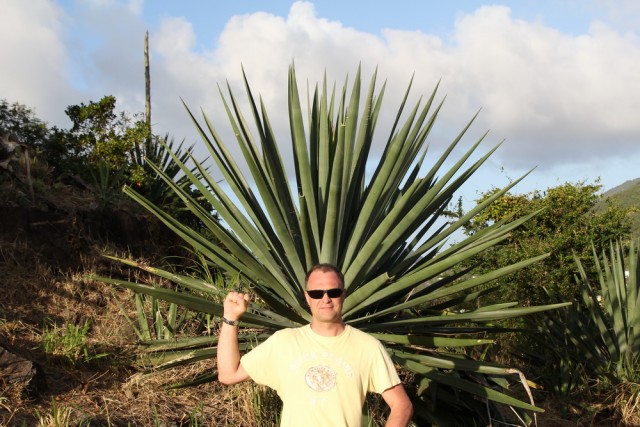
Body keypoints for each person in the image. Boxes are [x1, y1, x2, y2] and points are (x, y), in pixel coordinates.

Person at [217, 263, 413, 426]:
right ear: (307, 297)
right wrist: (230, 318)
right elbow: (228, 374)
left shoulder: (368, 347)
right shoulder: (283, 342)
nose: (325, 299)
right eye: (317, 293)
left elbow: (402, 405)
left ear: (343, 294)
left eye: (333, 292)